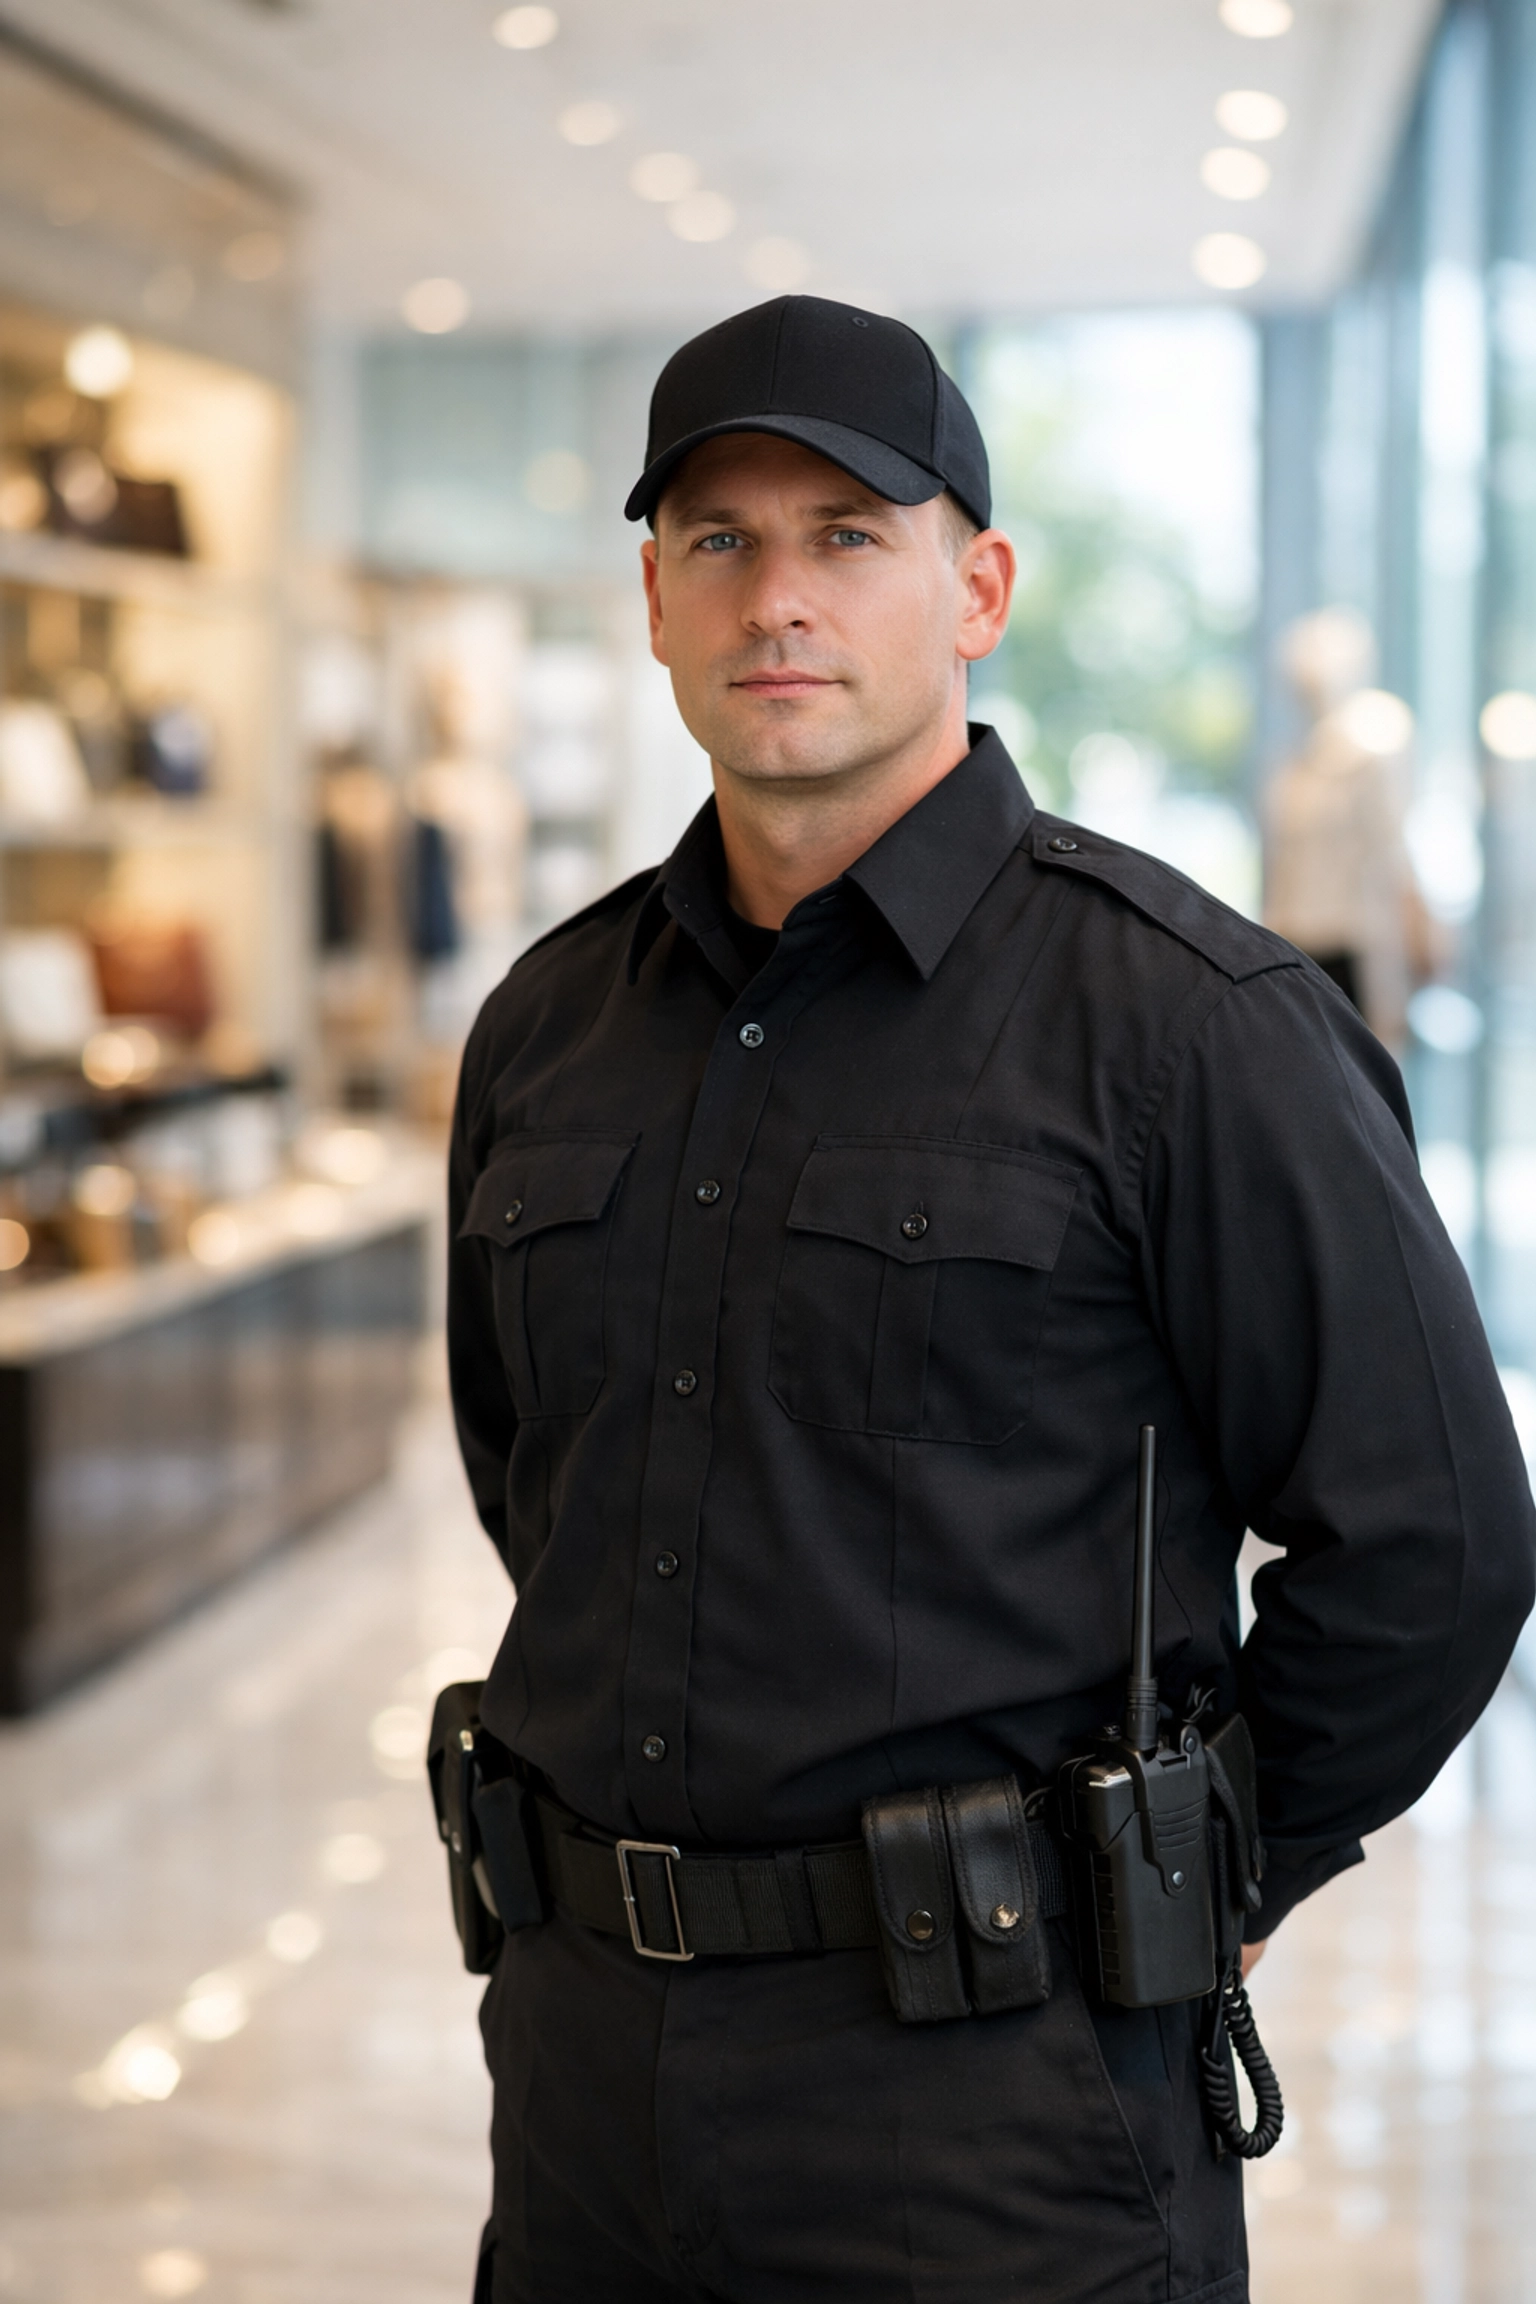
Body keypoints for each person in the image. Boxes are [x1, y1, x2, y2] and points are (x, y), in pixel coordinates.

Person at [447, 296, 1535, 2304]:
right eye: (721, 542)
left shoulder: (1191, 1025)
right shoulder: (548, 1028)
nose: (781, 596)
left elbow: (1438, 1542)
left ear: (981, 588)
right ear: (657, 604)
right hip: (588, 2090)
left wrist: (1224, 1870)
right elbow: (542, 1480)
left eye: (850, 536)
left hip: (997, 2114)